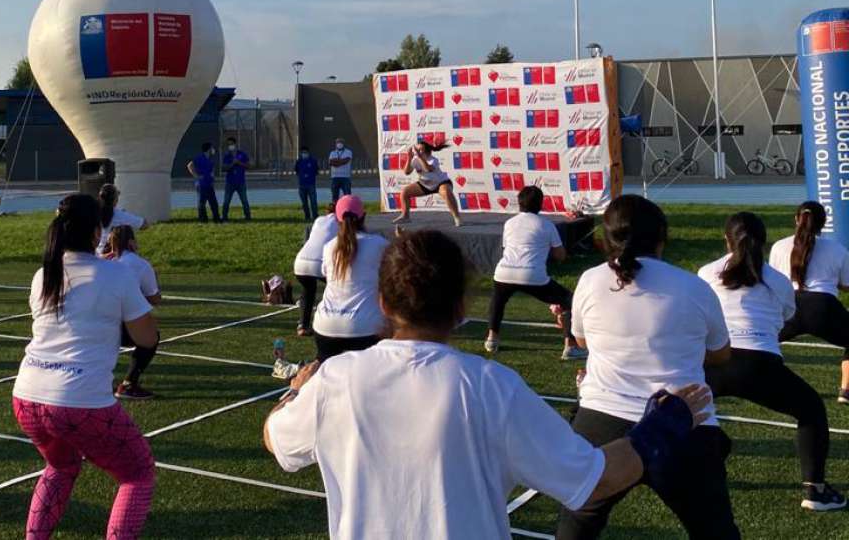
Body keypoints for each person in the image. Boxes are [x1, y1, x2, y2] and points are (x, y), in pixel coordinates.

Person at [264, 228, 713, 540]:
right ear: (461, 308)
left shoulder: (335, 382)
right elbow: (593, 479)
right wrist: (664, 424)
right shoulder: (491, 387)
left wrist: (297, 389)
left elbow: (275, 438)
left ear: (383, 303)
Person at [557, 194, 738, 540]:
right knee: (715, 531)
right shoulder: (694, 287)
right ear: (662, 238)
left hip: (601, 420)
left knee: (576, 525)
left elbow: (582, 341)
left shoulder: (590, 280)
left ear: (605, 239)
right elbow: (721, 353)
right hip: (682, 418)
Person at [12, 193, 158, 538]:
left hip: (27, 395)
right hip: (78, 399)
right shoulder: (116, 274)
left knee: (60, 466)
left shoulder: (42, 274)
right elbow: (147, 338)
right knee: (137, 474)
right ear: (97, 232)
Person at [700, 211, 845, 511]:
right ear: (763, 243)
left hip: (714, 360)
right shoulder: (777, 281)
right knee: (811, 410)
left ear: (726, 240)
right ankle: (815, 490)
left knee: (675, 407)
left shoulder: (706, 273)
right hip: (759, 363)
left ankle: (690, 460)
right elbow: (785, 319)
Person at [485, 186, 586, 360]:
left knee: (498, 301)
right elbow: (560, 255)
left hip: (504, 271)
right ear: (540, 204)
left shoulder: (509, 223)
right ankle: (570, 346)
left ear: (519, 203)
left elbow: (506, 248)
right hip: (532, 275)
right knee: (570, 301)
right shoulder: (546, 225)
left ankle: (491, 339)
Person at [769, 201, 849, 402]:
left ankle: (769, 385)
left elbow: (774, 282)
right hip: (823, 307)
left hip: (789, 305)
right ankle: (846, 390)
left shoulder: (779, 246)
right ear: (824, 223)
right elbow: (846, 284)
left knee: (762, 340)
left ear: (796, 219)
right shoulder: (836, 249)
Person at [312, 195, 389, 361]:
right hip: (365, 327)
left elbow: (326, 275)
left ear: (337, 220)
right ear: (364, 216)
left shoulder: (329, 247)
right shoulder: (379, 244)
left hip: (326, 325)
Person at [107, 224, 162, 400]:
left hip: (96, 321)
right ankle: (129, 383)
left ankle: (96, 382)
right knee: (151, 338)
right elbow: (154, 298)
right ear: (132, 242)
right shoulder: (141, 265)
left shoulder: (103, 262)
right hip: (123, 325)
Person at [392, 139, 462, 227]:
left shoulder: (433, 160)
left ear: (428, 152)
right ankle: (405, 216)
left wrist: (420, 157)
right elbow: (407, 172)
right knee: (405, 192)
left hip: (440, 183)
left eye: (420, 150)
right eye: (417, 150)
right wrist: (409, 158)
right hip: (425, 185)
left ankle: (457, 217)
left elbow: (427, 169)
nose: (418, 152)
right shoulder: (415, 159)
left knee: (446, 193)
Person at [293, 204, 337, 337]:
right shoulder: (341, 223)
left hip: (300, 262)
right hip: (319, 263)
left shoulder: (319, 220)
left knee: (308, 290)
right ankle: (332, 324)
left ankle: (303, 326)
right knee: (338, 287)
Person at [96, 184, 149, 255]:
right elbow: (144, 225)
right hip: (112, 255)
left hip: (98, 254)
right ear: (115, 199)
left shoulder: (95, 212)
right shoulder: (119, 214)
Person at [187, 141, 220, 223]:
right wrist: (196, 176)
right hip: (201, 184)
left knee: (213, 202)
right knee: (202, 203)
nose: (213, 150)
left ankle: (216, 219)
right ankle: (203, 219)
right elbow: (189, 165)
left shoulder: (210, 159)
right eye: (212, 148)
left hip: (209, 184)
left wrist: (212, 179)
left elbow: (211, 171)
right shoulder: (199, 157)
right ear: (208, 149)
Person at [222, 137, 251, 221]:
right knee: (226, 201)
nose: (230, 146)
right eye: (228, 144)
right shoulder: (227, 156)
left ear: (235, 144)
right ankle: (224, 217)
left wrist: (239, 163)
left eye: (231, 144)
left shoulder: (242, 154)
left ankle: (248, 216)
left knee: (244, 201)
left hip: (241, 182)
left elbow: (248, 166)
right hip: (230, 183)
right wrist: (232, 164)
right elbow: (224, 168)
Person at [294, 146, 319, 220]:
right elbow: (297, 171)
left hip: (311, 184)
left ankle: (315, 216)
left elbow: (316, 171)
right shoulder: (299, 161)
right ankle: (307, 216)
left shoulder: (313, 161)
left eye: (306, 152)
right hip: (302, 185)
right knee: (304, 203)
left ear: (308, 153)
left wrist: (309, 175)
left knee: (313, 202)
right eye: (303, 152)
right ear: (301, 153)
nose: (304, 154)